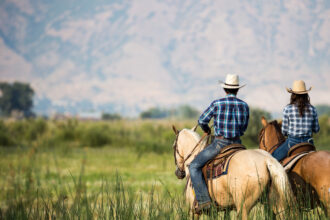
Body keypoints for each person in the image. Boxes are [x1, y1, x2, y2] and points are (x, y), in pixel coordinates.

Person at [189, 74, 249, 214]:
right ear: (237, 90)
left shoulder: (217, 103)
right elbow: (244, 127)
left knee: (194, 166)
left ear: (225, 89)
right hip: (238, 145)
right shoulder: (244, 105)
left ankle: (204, 201)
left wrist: (207, 129)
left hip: (220, 144)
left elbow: (202, 120)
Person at [272, 80, 320, 161]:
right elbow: (316, 129)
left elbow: (284, 131)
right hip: (308, 143)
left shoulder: (288, 109)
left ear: (293, 95)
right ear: (306, 94)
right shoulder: (313, 109)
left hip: (292, 142)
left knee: (272, 159)